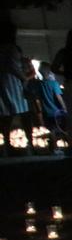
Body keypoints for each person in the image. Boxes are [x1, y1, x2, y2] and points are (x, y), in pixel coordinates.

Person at [0, 21, 34, 157]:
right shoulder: (11, 49)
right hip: (13, 85)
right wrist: (25, 77)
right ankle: (29, 145)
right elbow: (14, 67)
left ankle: (7, 146)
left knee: (5, 117)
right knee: (24, 114)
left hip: (3, 84)